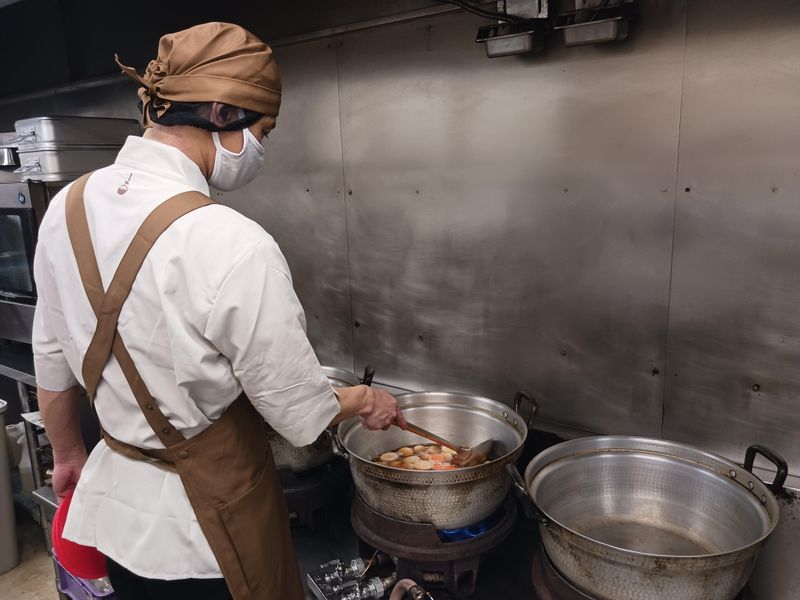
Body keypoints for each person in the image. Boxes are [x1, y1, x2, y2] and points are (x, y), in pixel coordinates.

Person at [32, 22, 405, 600]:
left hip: (117, 519)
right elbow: (299, 413)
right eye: (265, 130)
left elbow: (52, 360)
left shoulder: (65, 208)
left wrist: (68, 454)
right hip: (207, 536)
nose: (262, 148)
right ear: (223, 113)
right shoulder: (231, 240)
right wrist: (366, 400)